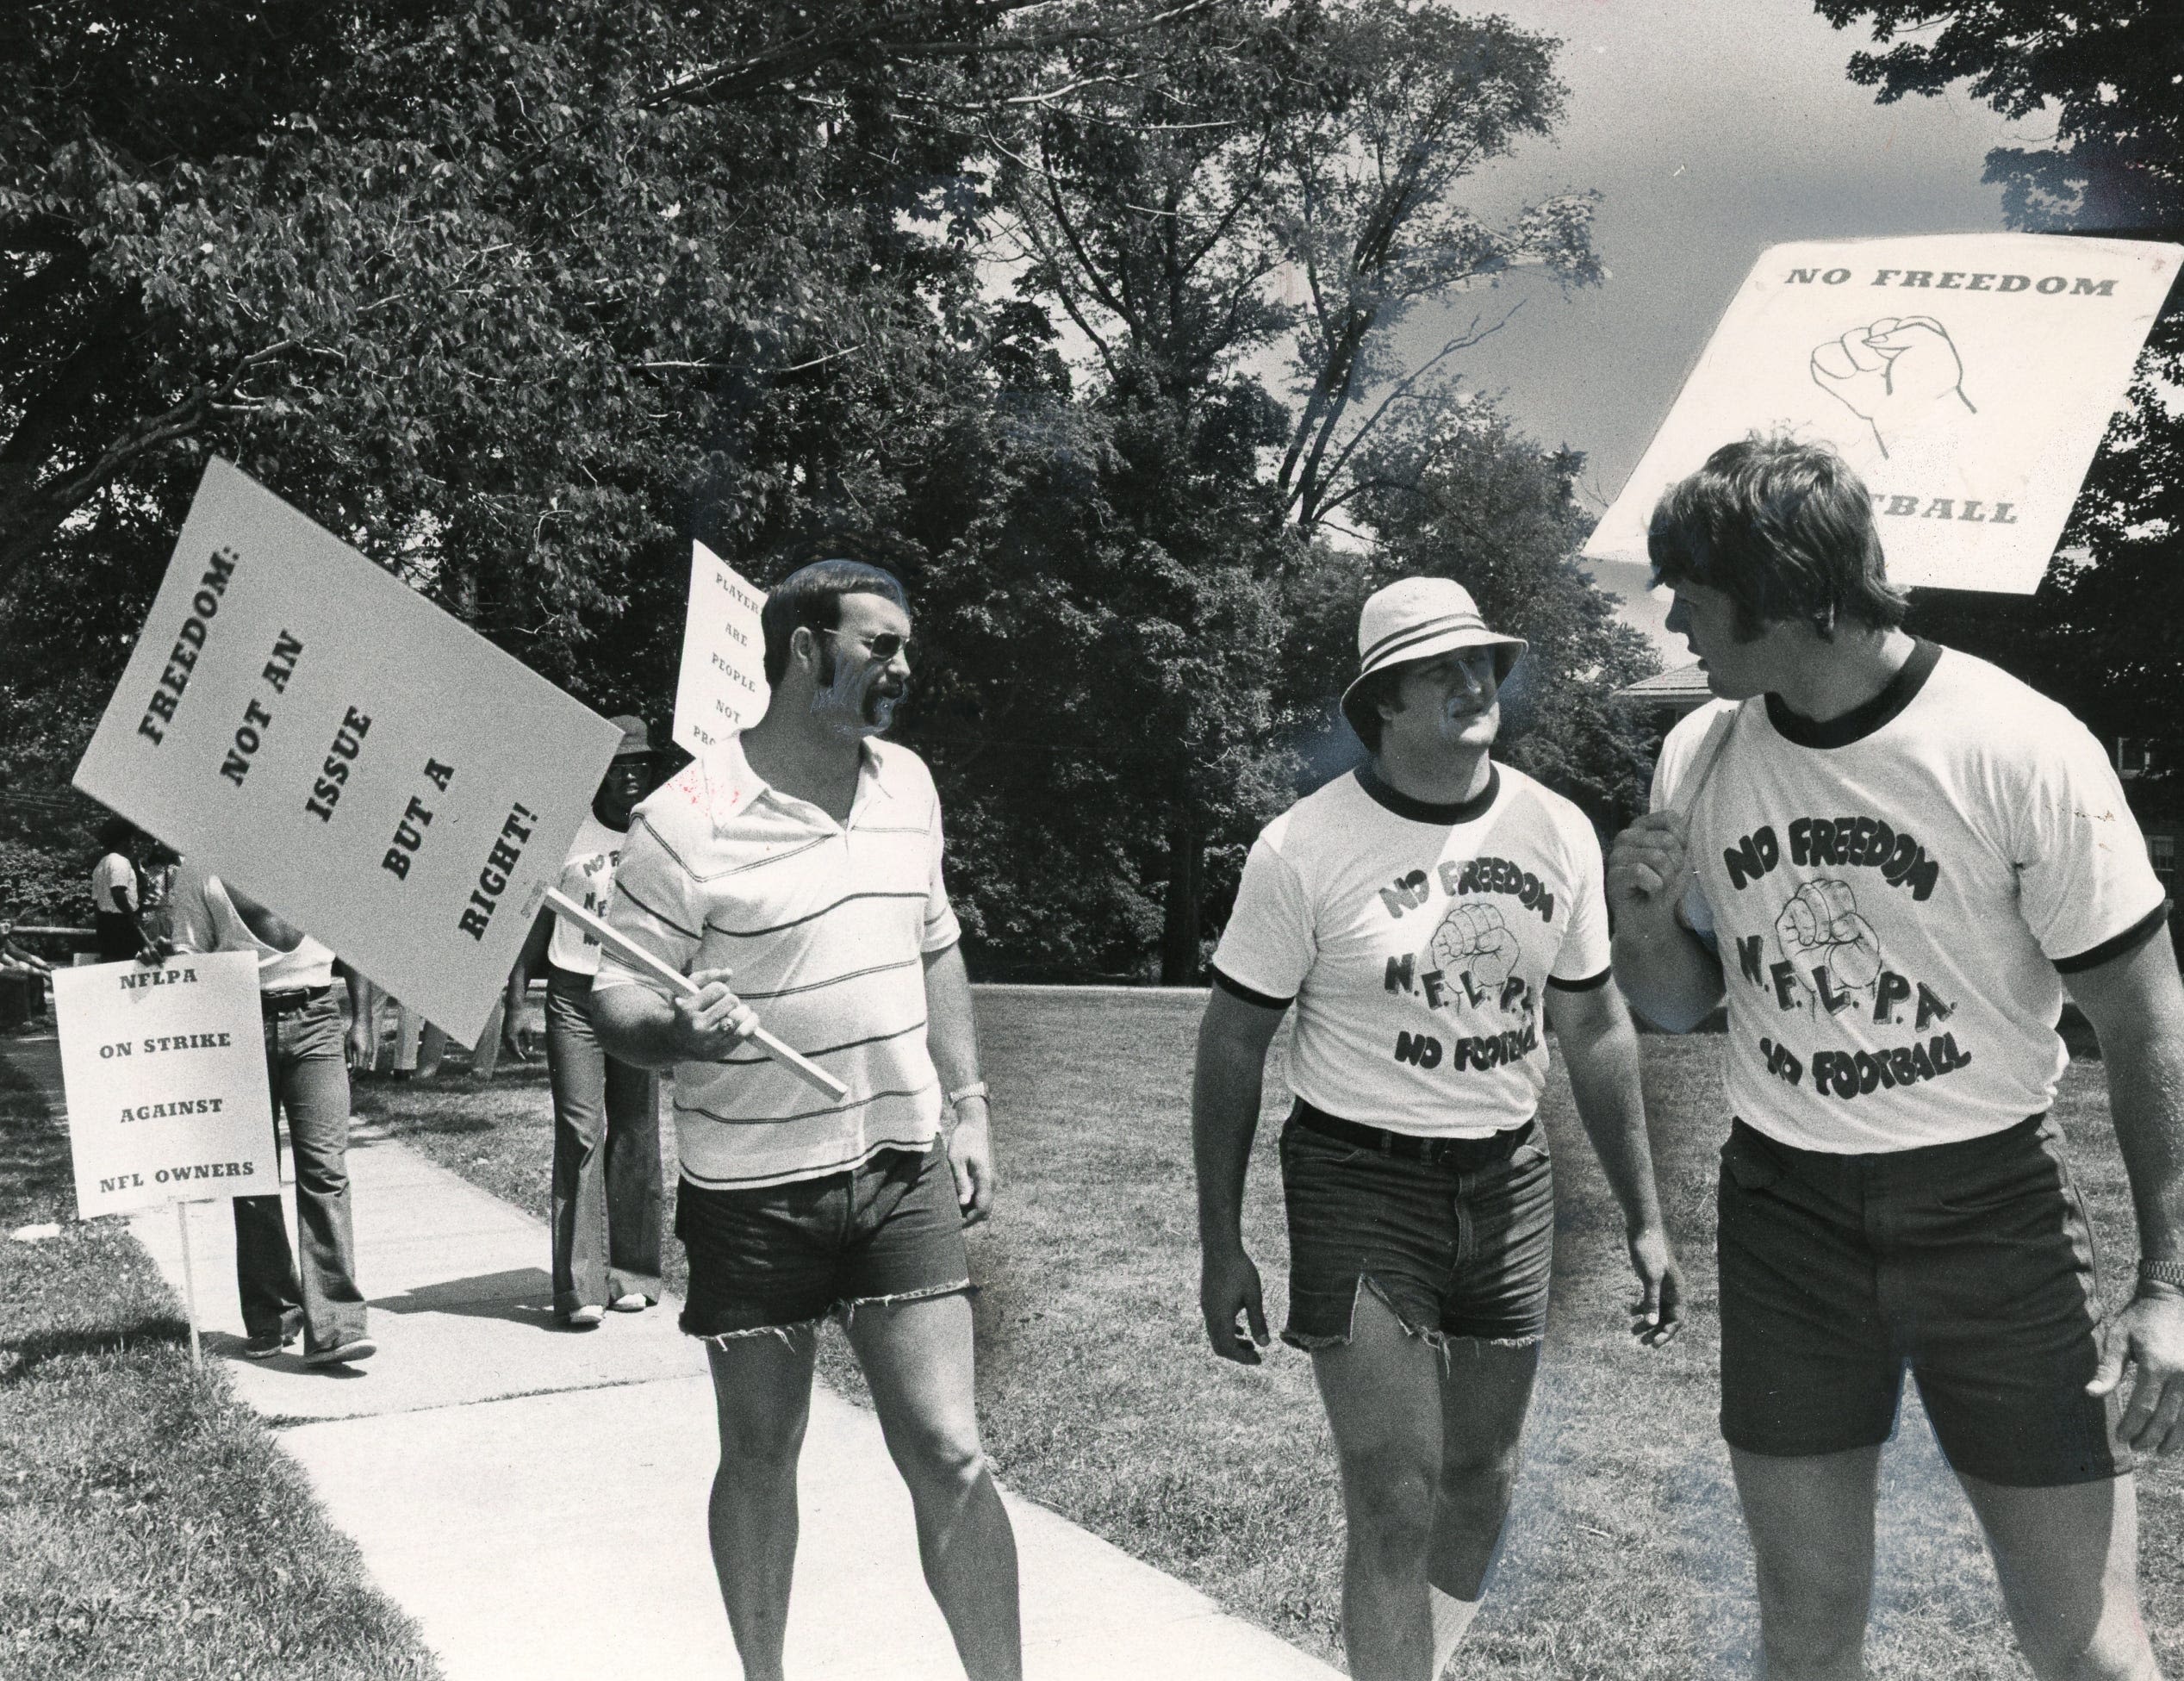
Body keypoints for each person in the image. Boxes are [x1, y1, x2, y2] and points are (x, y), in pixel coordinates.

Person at [1608, 435, 2184, 1681]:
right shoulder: (1698, 751)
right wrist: (1645, 922)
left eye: (1691, 594)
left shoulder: (2014, 745)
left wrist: (2168, 1282)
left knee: (2081, 1636)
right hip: (1785, 1212)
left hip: (1992, 1209)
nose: (1670, 619)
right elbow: (1672, 1007)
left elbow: (2143, 1017)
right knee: (1803, 1625)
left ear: (1788, 597)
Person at [1195, 576, 1684, 1681]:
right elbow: (1232, 1045)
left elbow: (1596, 1026)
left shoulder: (1553, 826)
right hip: (1358, 1178)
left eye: (1482, 663)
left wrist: (1648, 1218)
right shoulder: (1303, 848)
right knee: (1395, 1496)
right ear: (1382, 701)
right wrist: (1221, 1241)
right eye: (1439, 669)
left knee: (1482, 1480)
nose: (1474, 682)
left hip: (1508, 1181)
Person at [591, 558, 1019, 1681]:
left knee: (949, 1447)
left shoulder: (909, 784)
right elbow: (617, 999)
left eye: (905, 647)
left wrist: (968, 1103)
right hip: (751, 1193)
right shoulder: (682, 819)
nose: (903, 667)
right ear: (802, 651)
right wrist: (683, 1025)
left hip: (899, 1169)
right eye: (881, 644)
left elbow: (936, 943)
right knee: (762, 1448)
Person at [167, 860, 376, 1367]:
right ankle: (272, 1316)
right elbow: (187, 956)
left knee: (325, 1169)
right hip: (237, 1021)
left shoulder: (321, 850)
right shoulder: (201, 870)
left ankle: (337, 1325)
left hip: (319, 1016)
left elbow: (358, 943)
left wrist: (363, 1018)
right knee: (253, 1176)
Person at [533, 714, 663, 1329]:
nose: (631, 775)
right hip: (572, 993)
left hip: (634, 990)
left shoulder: (660, 831)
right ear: (597, 773)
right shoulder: (567, 831)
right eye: (619, 765)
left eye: (640, 763)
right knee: (581, 1130)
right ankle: (580, 1285)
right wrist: (515, 1003)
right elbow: (532, 920)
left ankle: (633, 1273)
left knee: (635, 1130)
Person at [90, 817, 149, 961]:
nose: (133, 844)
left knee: (111, 962)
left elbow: (96, 899)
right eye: (131, 839)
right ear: (124, 840)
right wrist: (131, 916)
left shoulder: (102, 863)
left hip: (105, 923)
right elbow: (118, 892)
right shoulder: (120, 862)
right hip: (121, 923)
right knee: (126, 963)